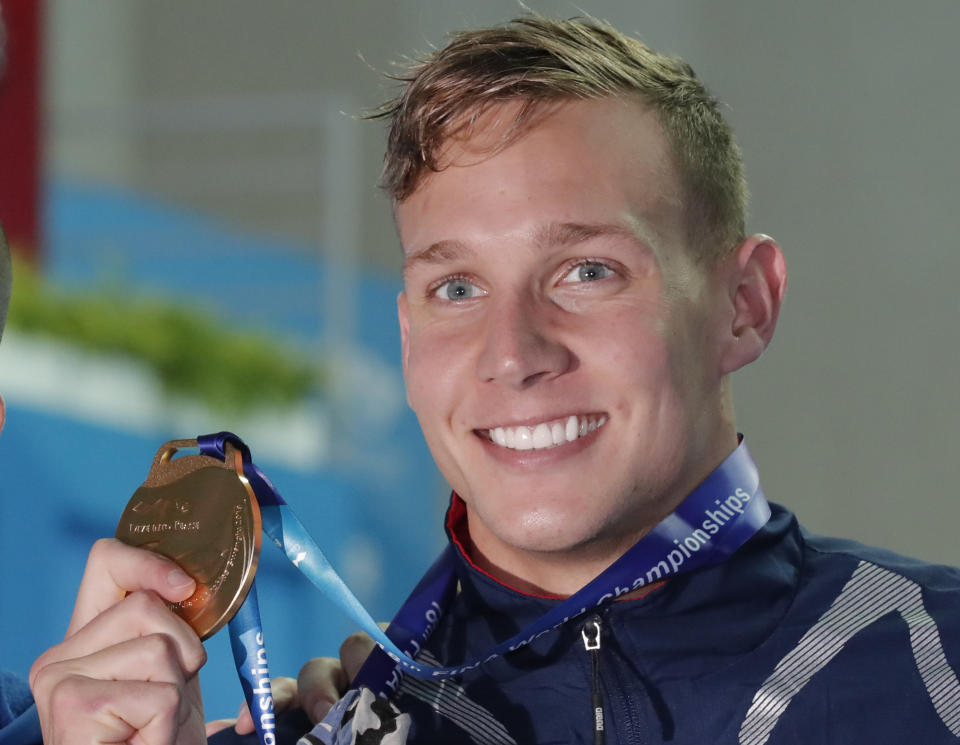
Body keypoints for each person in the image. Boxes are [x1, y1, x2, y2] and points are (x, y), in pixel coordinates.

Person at [28, 15, 960, 745]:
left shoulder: (936, 666)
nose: (513, 352)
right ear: (406, 337)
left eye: (587, 271)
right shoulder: (334, 725)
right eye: (457, 286)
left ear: (744, 304)